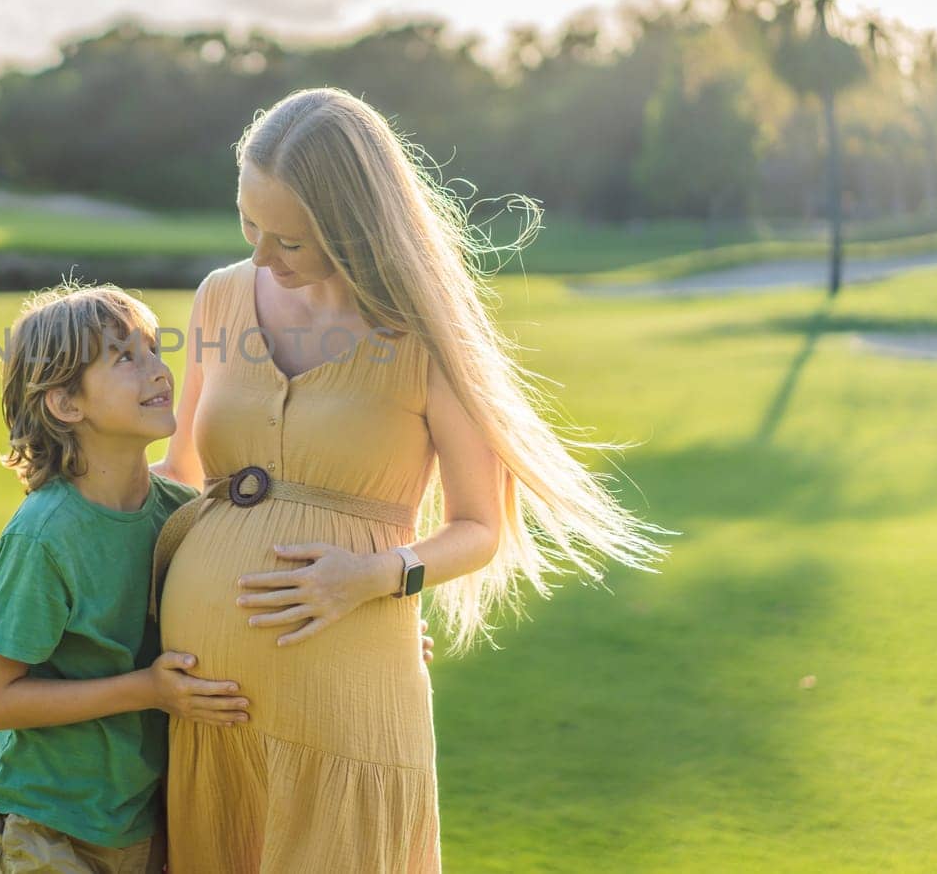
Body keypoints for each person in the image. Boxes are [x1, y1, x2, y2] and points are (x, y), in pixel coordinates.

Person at [148, 87, 674, 872]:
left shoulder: (425, 334)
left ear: (352, 227)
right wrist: (52, 531)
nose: (261, 255)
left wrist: (371, 576)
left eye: (287, 239)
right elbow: (178, 475)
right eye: (248, 222)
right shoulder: (220, 297)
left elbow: (479, 527)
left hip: (349, 706)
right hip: (204, 715)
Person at [0, 282, 249, 874]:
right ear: (67, 404)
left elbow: (241, 609)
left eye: (152, 348)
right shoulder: (45, 535)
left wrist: (364, 641)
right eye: (125, 357)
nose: (158, 370)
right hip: (47, 822)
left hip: (144, 820)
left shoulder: (180, 512)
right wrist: (147, 689)